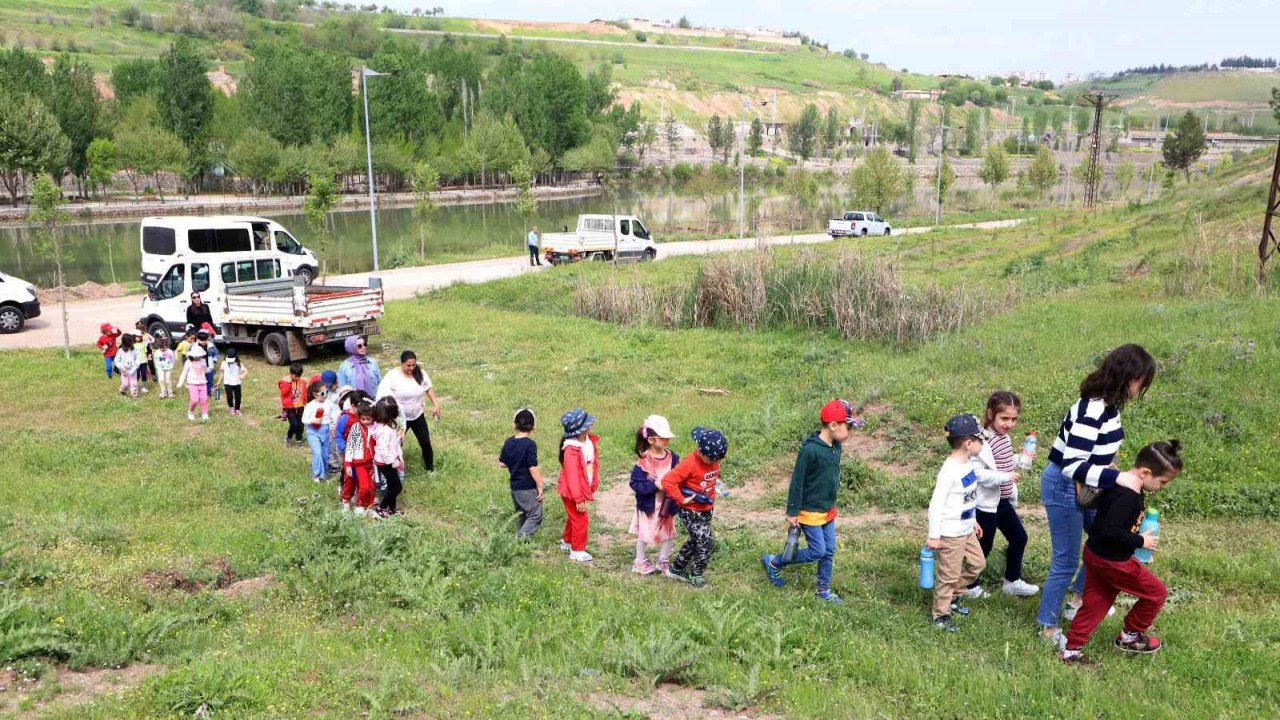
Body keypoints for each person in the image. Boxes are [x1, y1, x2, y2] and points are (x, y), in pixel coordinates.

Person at [1038, 344, 1157, 649]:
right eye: (1141, 380)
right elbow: (1072, 465)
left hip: (1092, 486)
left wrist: (1110, 470)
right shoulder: (1092, 409)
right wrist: (1119, 477)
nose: (1141, 387)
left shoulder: (1110, 405)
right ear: (1127, 375)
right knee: (1066, 560)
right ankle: (1048, 627)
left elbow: (1101, 451)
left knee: (1105, 542)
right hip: (1066, 485)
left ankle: (1079, 600)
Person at [1062, 440, 1182, 664]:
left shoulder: (1121, 484)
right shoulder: (1127, 496)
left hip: (1096, 554)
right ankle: (1130, 636)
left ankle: (1071, 650)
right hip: (1113, 561)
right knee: (1156, 593)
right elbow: (1110, 530)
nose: (1163, 487)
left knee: (1097, 602)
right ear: (1146, 473)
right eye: (1163, 482)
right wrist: (1140, 541)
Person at [761, 399, 854, 603]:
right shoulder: (810, 450)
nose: (850, 431)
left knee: (829, 551)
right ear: (833, 425)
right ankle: (775, 562)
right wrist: (792, 511)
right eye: (848, 426)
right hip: (809, 511)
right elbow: (797, 481)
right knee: (817, 551)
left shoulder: (836, 446)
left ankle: (823, 590)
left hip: (827, 509)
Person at [964, 391, 1039, 599]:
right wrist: (1004, 477)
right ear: (990, 414)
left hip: (1003, 501)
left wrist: (1020, 458)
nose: (1009, 424)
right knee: (983, 545)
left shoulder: (1003, 437)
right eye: (1004, 418)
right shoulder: (982, 441)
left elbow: (1003, 461)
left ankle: (1012, 581)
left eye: (1014, 419)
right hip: (985, 504)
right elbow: (977, 472)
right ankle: (969, 586)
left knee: (1019, 537)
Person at [927, 414, 987, 632]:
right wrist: (934, 535)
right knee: (948, 575)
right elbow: (936, 505)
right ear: (968, 443)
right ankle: (940, 615)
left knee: (977, 565)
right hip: (950, 533)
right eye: (980, 439)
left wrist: (973, 521)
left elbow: (966, 499)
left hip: (966, 529)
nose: (983, 442)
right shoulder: (949, 471)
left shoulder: (967, 464)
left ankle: (953, 597)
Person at [661, 426, 728, 589]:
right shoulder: (689, 464)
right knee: (706, 542)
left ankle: (677, 568)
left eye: (718, 459)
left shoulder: (715, 458)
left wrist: (716, 483)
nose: (715, 462)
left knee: (696, 539)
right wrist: (681, 499)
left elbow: (711, 473)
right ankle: (696, 574)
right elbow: (667, 481)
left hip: (706, 507)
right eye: (711, 459)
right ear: (700, 452)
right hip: (691, 510)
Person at [628, 415, 679, 576]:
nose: (667, 440)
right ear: (651, 440)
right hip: (649, 505)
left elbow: (679, 476)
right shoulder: (644, 461)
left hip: (667, 504)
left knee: (669, 533)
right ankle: (640, 560)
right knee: (645, 533)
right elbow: (636, 484)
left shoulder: (673, 458)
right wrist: (655, 485)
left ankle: (663, 560)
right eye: (663, 438)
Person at [376, 351, 442, 473]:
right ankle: (391, 471)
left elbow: (428, 388)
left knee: (425, 442)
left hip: (417, 415)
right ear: (401, 364)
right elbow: (381, 395)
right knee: (395, 444)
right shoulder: (392, 376)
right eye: (408, 365)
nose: (411, 368)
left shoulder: (420, 373)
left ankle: (430, 469)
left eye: (413, 365)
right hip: (399, 418)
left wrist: (436, 404)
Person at [557, 408, 599, 563]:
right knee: (581, 518)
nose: (592, 423)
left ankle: (567, 541)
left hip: (581, 488)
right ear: (580, 429)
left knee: (573, 516)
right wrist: (578, 499)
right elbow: (572, 477)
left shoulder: (587, 441)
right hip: (572, 492)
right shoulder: (571, 450)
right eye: (589, 423)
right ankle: (577, 551)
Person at [500, 409, 545, 540]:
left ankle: (523, 543)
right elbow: (532, 466)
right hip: (527, 487)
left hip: (514, 487)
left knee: (522, 514)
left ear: (514, 425)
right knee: (535, 515)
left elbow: (502, 463)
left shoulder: (509, 442)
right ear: (533, 427)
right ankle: (518, 540)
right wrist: (540, 485)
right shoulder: (530, 444)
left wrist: (514, 462)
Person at [341, 399, 378, 515]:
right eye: (363, 419)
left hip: (371, 462)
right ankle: (358, 505)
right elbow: (350, 446)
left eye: (368, 419)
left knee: (372, 486)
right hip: (359, 463)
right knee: (364, 486)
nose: (366, 421)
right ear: (359, 417)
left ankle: (369, 505)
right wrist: (347, 464)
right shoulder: (356, 428)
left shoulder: (375, 427)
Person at [372, 397, 406, 517]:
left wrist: (397, 437)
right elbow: (383, 449)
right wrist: (392, 461)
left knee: (392, 485)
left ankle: (392, 509)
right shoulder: (385, 431)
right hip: (386, 463)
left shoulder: (384, 426)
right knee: (397, 487)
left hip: (386, 461)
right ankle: (380, 508)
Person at [301, 381, 332, 483]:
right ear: (315, 394)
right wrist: (313, 420)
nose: (325, 395)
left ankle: (324, 474)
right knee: (317, 453)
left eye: (327, 392)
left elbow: (333, 417)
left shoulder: (329, 403)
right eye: (323, 393)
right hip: (313, 432)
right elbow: (304, 419)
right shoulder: (310, 405)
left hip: (325, 431)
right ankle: (317, 475)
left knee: (325, 455)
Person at [176, 344, 210, 422]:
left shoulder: (203, 360)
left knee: (204, 399)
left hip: (203, 383)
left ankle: (205, 413)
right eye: (196, 356)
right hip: (192, 384)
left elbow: (205, 370)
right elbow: (184, 373)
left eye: (199, 356)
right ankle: (190, 412)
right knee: (194, 400)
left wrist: (209, 369)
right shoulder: (188, 362)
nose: (198, 357)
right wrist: (180, 383)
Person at [279, 363, 307, 447]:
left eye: (299, 376)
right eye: (296, 376)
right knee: (294, 424)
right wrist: (288, 383)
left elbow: (305, 393)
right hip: (290, 407)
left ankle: (299, 438)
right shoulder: (284, 382)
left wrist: (306, 401)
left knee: (301, 424)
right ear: (291, 374)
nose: (297, 378)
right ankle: (288, 437)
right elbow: (284, 393)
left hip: (300, 406)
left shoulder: (302, 382)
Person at [217, 347, 246, 416]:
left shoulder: (238, 363)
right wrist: (219, 381)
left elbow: (246, 371)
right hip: (227, 383)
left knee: (238, 397)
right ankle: (231, 408)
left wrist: (243, 375)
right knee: (229, 396)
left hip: (237, 383)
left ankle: (237, 409)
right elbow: (222, 372)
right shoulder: (224, 363)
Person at [115, 334, 140, 398]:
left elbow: (137, 360)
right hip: (124, 370)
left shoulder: (134, 350)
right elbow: (116, 361)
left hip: (133, 370)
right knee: (125, 383)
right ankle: (122, 390)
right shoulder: (120, 351)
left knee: (134, 383)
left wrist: (133, 369)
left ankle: (134, 394)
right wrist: (121, 367)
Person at [133, 322, 154, 394]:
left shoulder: (143, 345)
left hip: (144, 362)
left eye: (139, 336)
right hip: (136, 363)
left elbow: (145, 353)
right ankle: (134, 386)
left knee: (144, 375)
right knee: (137, 375)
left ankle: (144, 387)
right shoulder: (133, 346)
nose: (138, 337)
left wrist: (147, 361)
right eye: (137, 336)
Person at [197, 330, 219, 397]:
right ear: (198, 339)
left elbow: (216, 353)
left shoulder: (211, 346)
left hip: (209, 366)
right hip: (199, 367)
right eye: (201, 340)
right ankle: (200, 392)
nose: (203, 342)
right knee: (200, 380)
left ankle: (208, 391)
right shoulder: (194, 347)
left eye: (205, 340)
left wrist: (214, 360)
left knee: (209, 379)